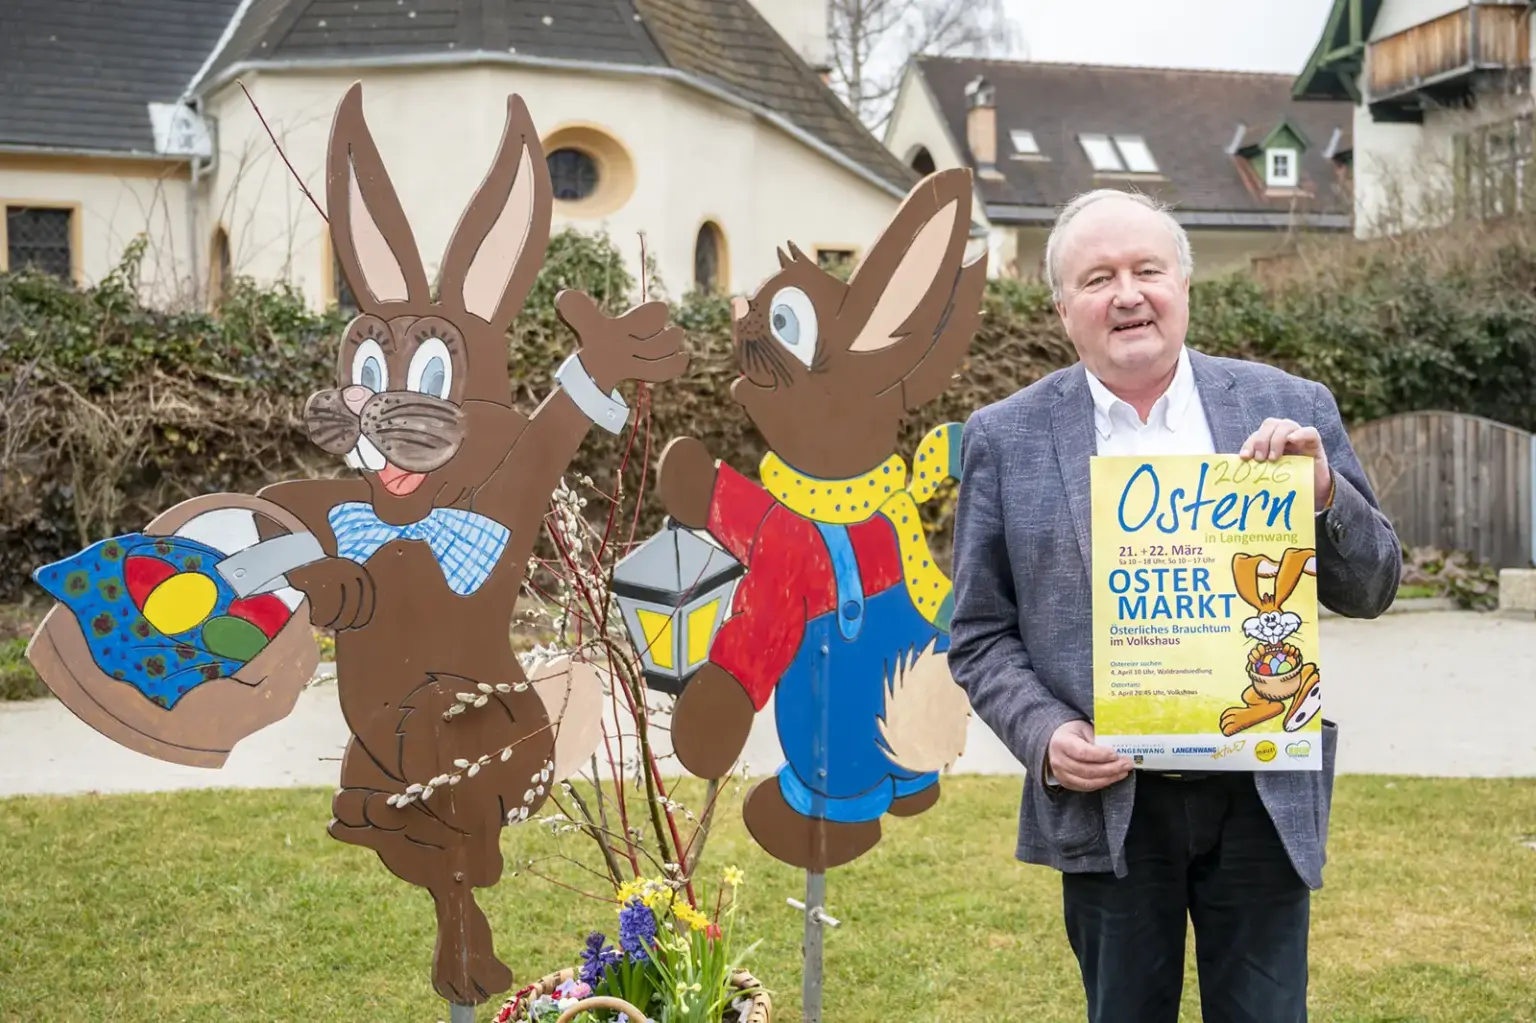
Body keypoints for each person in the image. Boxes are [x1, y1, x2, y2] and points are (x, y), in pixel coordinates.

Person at [946, 189, 1401, 1023]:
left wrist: (1323, 493)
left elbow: (1372, 588)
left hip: (1260, 791)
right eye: (1097, 278)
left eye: (1147, 270)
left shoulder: (1289, 407)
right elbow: (978, 633)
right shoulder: (1005, 438)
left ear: (1184, 286)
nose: (1127, 294)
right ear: (1062, 309)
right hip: (1112, 799)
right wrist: (1044, 734)